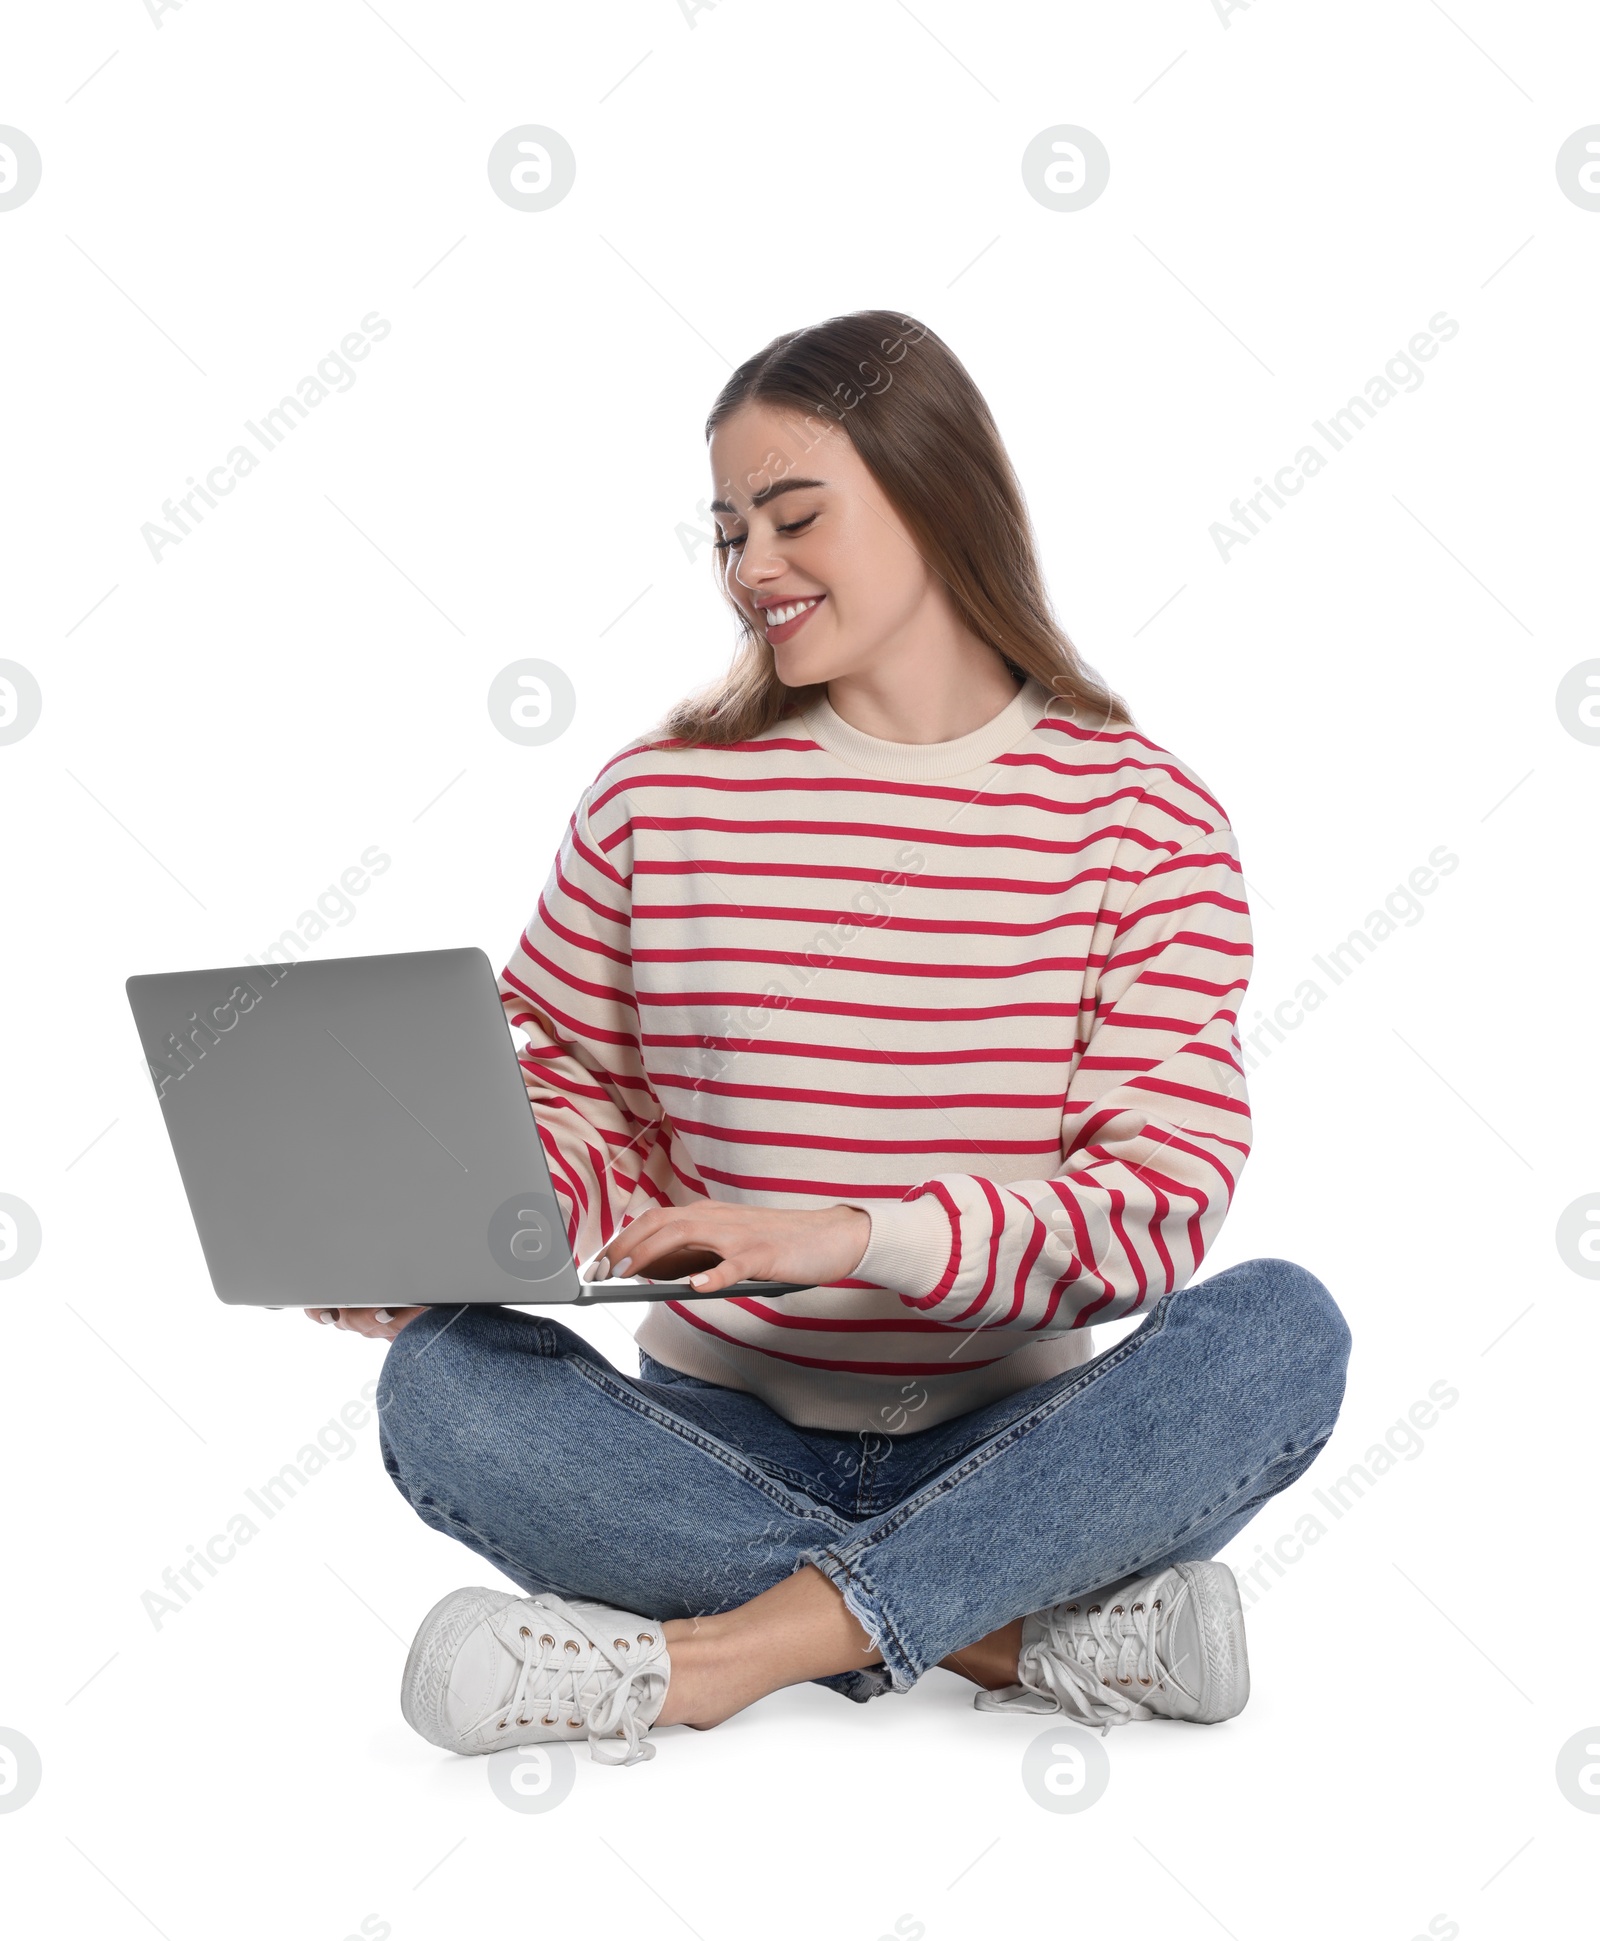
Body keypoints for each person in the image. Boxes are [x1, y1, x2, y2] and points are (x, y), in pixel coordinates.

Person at [308, 309, 1351, 1769]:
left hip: (1028, 1447)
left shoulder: (1143, 818)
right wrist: (476, 1224)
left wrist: (852, 1234)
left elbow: (1157, 1204)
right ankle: (1011, 1633)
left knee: (1281, 1332)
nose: (752, 569)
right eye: (728, 530)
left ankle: (711, 1659)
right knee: (442, 1385)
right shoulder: (655, 802)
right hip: (705, 1435)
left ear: (938, 499)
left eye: (795, 519)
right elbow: (579, 1106)